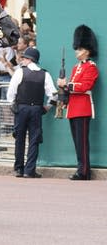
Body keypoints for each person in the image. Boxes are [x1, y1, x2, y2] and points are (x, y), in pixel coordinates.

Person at [7, 47, 56, 178]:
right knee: (34, 139)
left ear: (29, 59)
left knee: (19, 139)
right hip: (36, 109)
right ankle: (30, 170)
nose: (22, 60)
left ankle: (18, 169)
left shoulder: (20, 72)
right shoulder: (45, 74)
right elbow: (54, 95)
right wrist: (48, 107)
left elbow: (11, 92)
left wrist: (12, 104)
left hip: (21, 108)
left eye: (24, 58)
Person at [57, 25, 99, 181]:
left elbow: (85, 86)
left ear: (87, 51)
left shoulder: (91, 67)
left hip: (83, 108)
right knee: (77, 142)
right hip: (73, 108)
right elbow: (72, 87)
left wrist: (66, 85)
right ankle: (81, 168)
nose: (76, 51)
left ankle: (84, 172)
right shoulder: (76, 68)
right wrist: (63, 92)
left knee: (82, 143)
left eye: (79, 49)